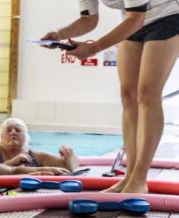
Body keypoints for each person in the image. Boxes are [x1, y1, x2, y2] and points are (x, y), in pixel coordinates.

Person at [42, 1, 179, 193]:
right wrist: (60, 34)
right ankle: (129, 176)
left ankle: (139, 179)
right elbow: (88, 19)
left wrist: (93, 48)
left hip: (167, 18)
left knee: (148, 93)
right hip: (131, 22)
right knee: (127, 94)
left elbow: (136, 18)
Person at [0, 118, 79, 171]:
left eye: (18, 130)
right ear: (1, 137)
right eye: (8, 130)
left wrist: (69, 154)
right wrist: (12, 162)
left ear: (26, 137)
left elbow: (70, 169)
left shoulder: (37, 156)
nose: (13, 133)